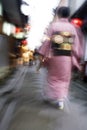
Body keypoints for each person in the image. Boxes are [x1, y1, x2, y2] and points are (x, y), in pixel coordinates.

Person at [37, 6, 84, 110]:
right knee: (64, 78)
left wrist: (42, 52)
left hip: (55, 56)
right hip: (66, 57)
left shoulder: (54, 26)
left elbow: (47, 41)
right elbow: (75, 45)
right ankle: (60, 100)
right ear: (67, 15)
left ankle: (49, 95)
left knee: (52, 77)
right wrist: (77, 55)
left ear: (59, 14)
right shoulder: (72, 28)